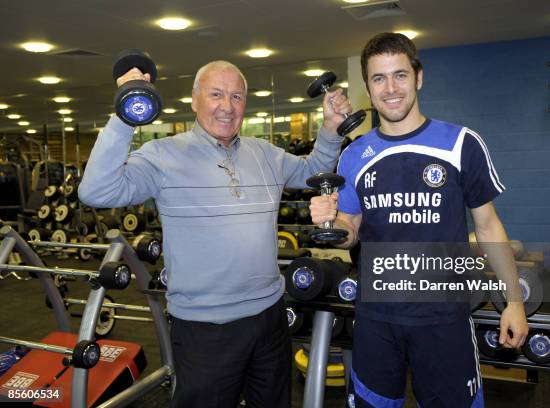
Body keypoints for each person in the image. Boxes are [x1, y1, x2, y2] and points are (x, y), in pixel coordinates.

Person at [79, 60, 352, 408]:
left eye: (237, 96)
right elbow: (97, 192)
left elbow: (313, 170)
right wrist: (125, 113)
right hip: (205, 326)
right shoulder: (162, 155)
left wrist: (330, 128)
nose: (227, 106)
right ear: (195, 100)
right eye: (216, 94)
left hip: (269, 317)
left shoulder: (264, 153)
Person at [309, 33, 529, 408]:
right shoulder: (354, 155)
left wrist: (514, 301)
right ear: (368, 86)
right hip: (377, 318)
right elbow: (350, 231)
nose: (390, 88)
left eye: (400, 75)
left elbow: (488, 225)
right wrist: (330, 225)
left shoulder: (461, 143)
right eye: (379, 78)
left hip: (443, 317)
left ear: (419, 77)